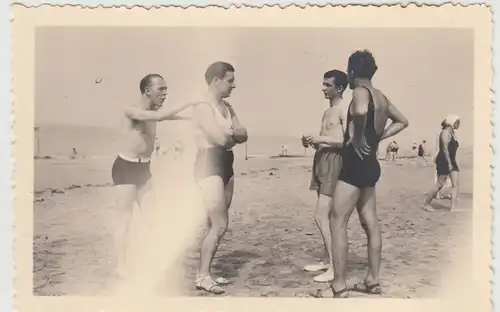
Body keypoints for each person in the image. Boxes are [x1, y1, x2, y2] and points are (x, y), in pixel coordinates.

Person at [312, 50, 409, 298]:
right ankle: (372, 281)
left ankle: (339, 285)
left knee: (337, 221)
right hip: (371, 162)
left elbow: (361, 112)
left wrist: (356, 138)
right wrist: (376, 138)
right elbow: (402, 121)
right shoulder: (382, 96)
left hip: (354, 162)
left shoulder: (360, 92)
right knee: (371, 222)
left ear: (351, 71)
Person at [111, 73, 196, 280]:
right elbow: (159, 117)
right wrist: (190, 102)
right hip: (125, 167)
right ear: (148, 90)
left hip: (144, 169)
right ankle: (121, 266)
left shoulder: (153, 112)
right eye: (161, 89)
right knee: (125, 218)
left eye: (166, 90)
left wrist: (194, 117)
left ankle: (141, 259)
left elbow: (167, 115)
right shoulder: (132, 111)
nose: (165, 94)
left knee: (151, 217)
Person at [192, 62, 248, 294]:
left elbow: (243, 134)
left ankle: (204, 272)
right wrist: (231, 135)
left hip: (226, 162)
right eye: (230, 81)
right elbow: (222, 138)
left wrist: (230, 135)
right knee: (220, 224)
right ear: (215, 80)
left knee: (213, 223)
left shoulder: (227, 107)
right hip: (208, 162)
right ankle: (203, 275)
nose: (234, 85)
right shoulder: (202, 107)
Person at [301, 69, 348, 283]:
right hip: (321, 160)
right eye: (323, 84)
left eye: (328, 85)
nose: (323, 88)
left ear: (340, 88)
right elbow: (327, 138)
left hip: (334, 162)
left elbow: (345, 141)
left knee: (320, 216)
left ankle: (335, 269)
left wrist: (319, 138)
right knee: (327, 217)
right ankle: (331, 261)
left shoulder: (342, 109)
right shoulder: (327, 111)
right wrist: (312, 142)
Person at [423, 115, 461, 211]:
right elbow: (444, 149)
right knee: (440, 184)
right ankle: (426, 204)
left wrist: (452, 162)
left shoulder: (452, 133)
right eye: (457, 122)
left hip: (451, 159)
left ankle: (453, 207)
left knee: (455, 184)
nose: (459, 124)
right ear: (452, 122)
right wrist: (449, 163)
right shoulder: (445, 133)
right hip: (444, 159)